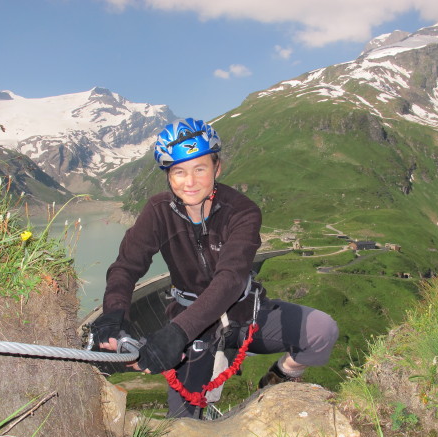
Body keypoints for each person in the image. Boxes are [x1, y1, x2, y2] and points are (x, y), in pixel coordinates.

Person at [90, 118, 339, 419]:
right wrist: (114, 313)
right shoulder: (157, 212)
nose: (190, 181)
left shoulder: (242, 211)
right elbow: (127, 266)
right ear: (168, 176)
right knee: (183, 426)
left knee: (322, 330)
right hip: (191, 321)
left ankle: (281, 375)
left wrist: (175, 335)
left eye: (200, 168)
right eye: (179, 171)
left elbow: (231, 279)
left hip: (243, 312)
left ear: (217, 168)